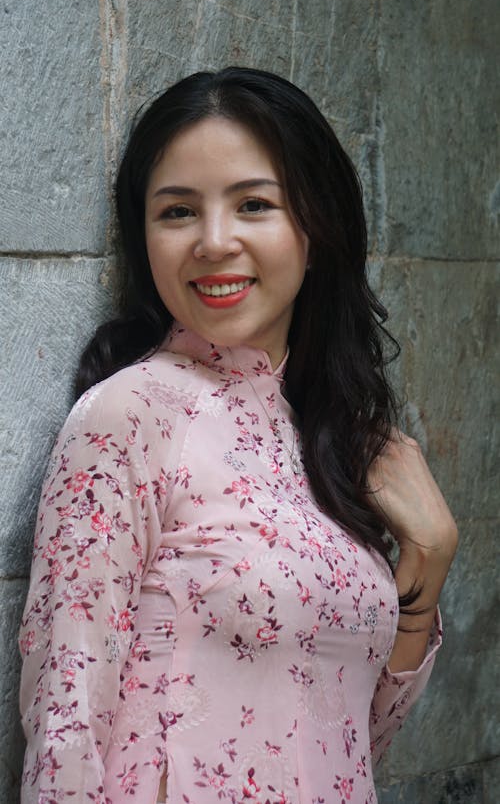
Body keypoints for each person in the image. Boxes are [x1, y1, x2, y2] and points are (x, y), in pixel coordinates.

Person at [19, 67, 457, 804]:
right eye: (178, 212)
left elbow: (356, 740)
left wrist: (431, 556)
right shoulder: (128, 416)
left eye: (254, 204)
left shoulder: (334, 439)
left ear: (315, 231)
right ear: (144, 236)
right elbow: (66, 728)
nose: (214, 242)